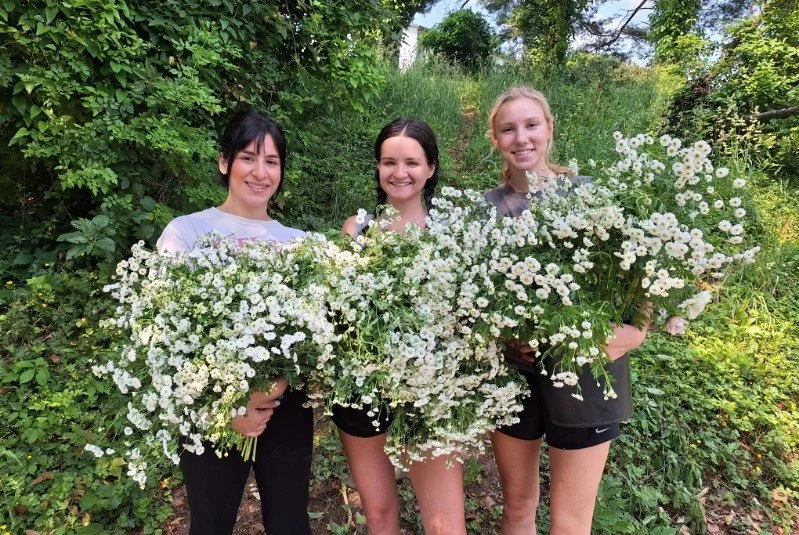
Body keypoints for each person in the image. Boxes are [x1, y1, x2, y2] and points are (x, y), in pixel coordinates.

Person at [484, 86, 650, 534]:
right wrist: (501, 333)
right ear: (495, 139)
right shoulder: (484, 211)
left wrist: (638, 330)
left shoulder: (590, 195)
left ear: (549, 128)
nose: (522, 138)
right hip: (514, 379)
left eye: (531, 125)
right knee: (517, 507)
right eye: (508, 129)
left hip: (588, 378)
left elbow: (642, 274)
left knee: (571, 522)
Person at [156, 110, 313, 535]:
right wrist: (228, 406)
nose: (260, 172)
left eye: (272, 161)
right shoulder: (186, 232)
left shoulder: (301, 244)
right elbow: (168, 335)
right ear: (224, 161)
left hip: (284, 404)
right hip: (210, 406)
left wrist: (272, 388)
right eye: (248, 157)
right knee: (210, 523)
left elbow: (315, 339)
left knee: (290, 523)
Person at [331, 118, 467, 535]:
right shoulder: (356, 230)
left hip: (431, 395)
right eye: (389, 162)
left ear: (431, 167)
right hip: (363, 392)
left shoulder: (451, 232)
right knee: (379, 515)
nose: (399, 172)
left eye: (412, 162)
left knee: (446, 525)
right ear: (378, 167)